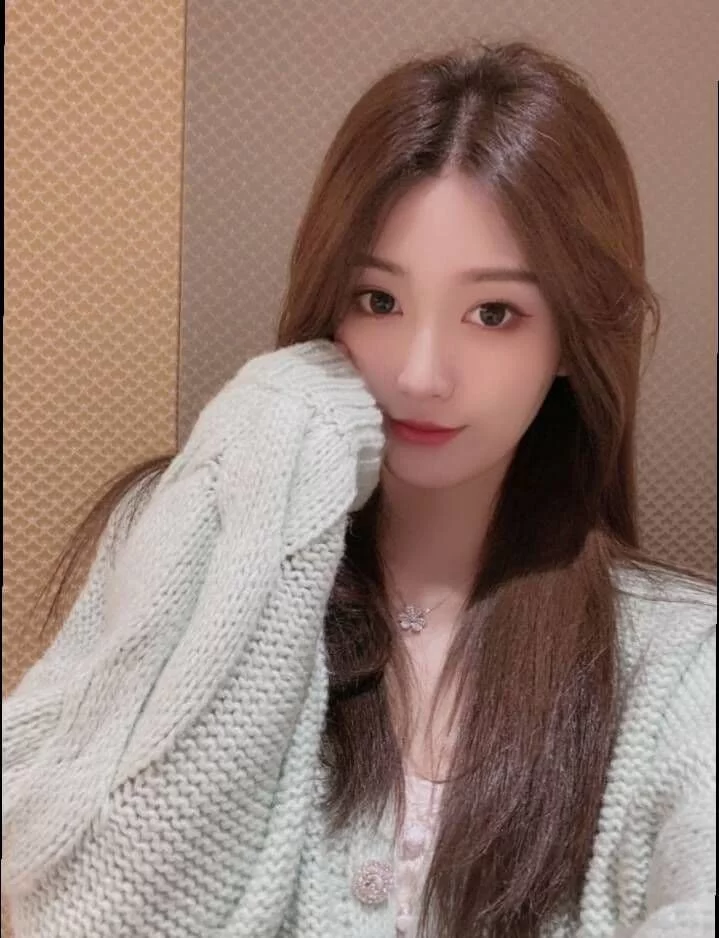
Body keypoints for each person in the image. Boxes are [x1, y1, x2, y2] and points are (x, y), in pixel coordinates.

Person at [2, 39, 715, 938]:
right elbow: (83, 911)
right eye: (378, 301)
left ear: (571, 340)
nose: (419, 374)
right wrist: (267, 443)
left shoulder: (675, 657)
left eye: (493, 313)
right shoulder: (190, 535)